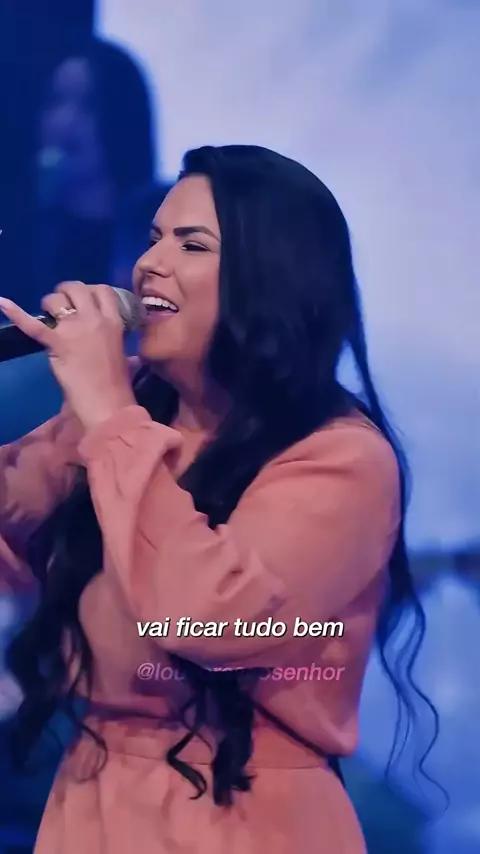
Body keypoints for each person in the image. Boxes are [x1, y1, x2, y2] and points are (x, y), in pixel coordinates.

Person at [0, 145, 438, 853]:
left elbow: (211, 620)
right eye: (152, 239)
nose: (150, 264)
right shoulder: (132, 406)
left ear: (268, 279)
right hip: (91, 804)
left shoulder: (341, 459)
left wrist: (109, 415)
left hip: (241, 814)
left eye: (192, 244)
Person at [2, 37, 171, 313]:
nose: (66, 121)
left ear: (123, 115)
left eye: (89, 105)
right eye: (55, 100)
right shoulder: (18, 226)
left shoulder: (158, 223)